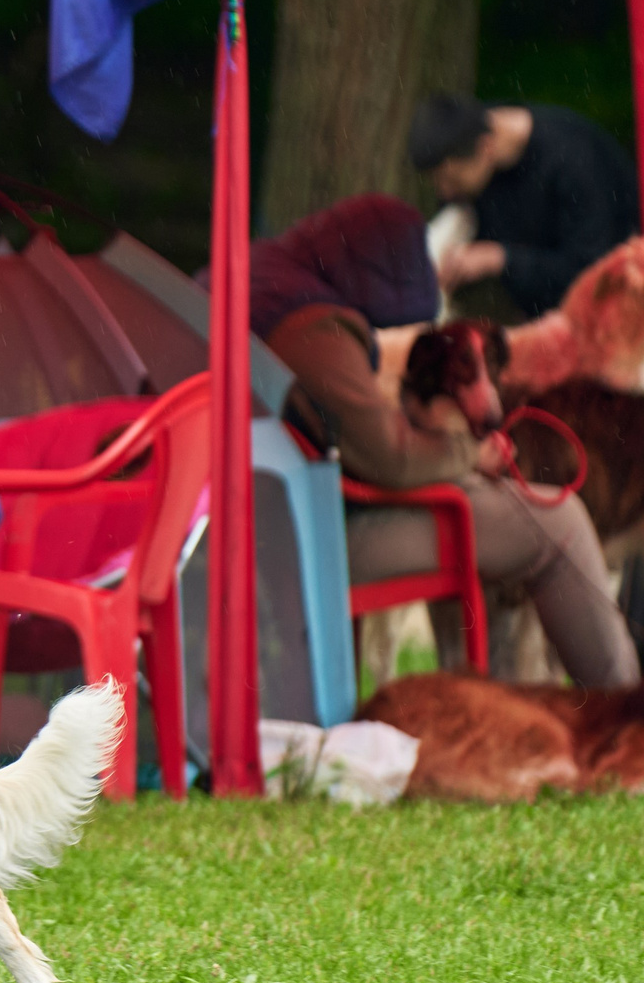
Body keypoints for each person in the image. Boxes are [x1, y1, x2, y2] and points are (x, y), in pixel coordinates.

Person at [257, 194, 638, 687]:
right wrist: (468, 455)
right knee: (557, 520)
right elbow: (390, 459)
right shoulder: (313, 331)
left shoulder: (264, 285)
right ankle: (625, 709)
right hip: (322, 537)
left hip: (290, 521)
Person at [409, 94, 639, 319]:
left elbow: (590, 277)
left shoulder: (576, 166)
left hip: (620, 305)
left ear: (486, 147)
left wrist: (499, 259)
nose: (445, 192)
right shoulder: (471, 132)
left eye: (452, 180)